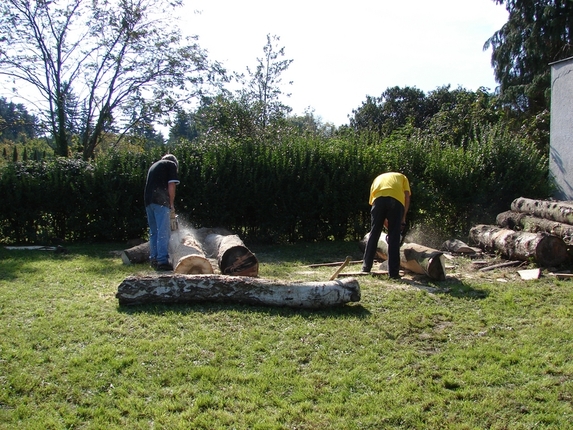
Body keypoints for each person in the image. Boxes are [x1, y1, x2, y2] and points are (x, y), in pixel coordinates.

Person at [361, 172, 411, 279]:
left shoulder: (377, 179)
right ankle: (393, 273)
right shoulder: (403, 177)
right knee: (394, 237)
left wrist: (384, 222)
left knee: (374, 234)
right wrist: (403, 218)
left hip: (378, 201)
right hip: (396, 201)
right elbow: (406, 198)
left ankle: (366, 267)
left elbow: (376, 204)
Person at [144, 154, 180, 271]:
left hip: (148, 201)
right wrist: (171, 204)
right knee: (164, 231)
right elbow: (171, 185)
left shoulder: (154, 166)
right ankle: (162, 261)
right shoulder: (171, 164)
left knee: (154, 231)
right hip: (160, 201)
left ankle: (154, 258)